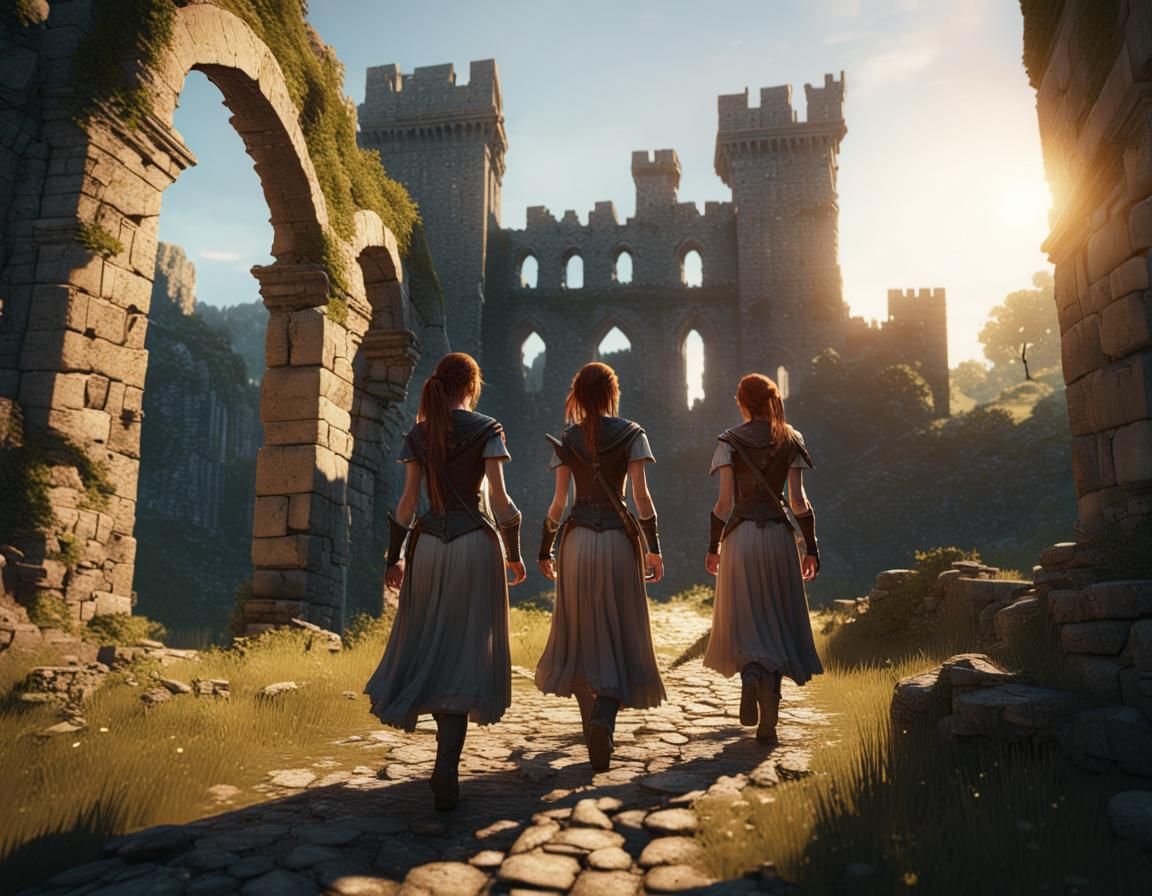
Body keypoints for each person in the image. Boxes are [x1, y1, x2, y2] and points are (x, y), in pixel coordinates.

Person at [364, 352, 526, 810]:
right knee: (463, 653)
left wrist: (393, 557)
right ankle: (446, 766)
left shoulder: (419, 433)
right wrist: (515, 555)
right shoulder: (488, 429)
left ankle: (444, 763)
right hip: (476, 545)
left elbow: (406, 505)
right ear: (472, 385)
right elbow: (501, 499)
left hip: (430, 547)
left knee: (435, 651)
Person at [534, 362, 666, 771]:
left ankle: (593, 720)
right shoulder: (632, 434)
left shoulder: (567, 439)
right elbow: (641, 500)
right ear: (612, 392)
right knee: (619, 631)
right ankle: (602, 719)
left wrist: (544, 549)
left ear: (579, 394)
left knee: (580, 633)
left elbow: (558, 504)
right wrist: (653, 548)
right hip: (616, 542)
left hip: (574, 543)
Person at [703, 372, 823, 745]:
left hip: (738, 540)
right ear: (772, 400)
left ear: (741, 401)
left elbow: (723, 505)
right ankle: (770, 710)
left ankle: (751, 674)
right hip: (777, 538)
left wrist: (713, 547)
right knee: (777, 620)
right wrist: (812, 548)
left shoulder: (728, 442)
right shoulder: (792, 438)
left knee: (747, 618)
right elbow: (799, 503)